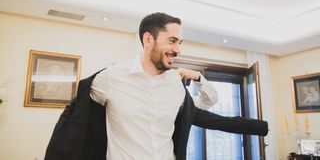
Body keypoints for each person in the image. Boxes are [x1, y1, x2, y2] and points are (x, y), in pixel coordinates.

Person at [44, 12, 268, 160]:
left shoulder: (176, 85)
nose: (178, 49)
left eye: (180, 42)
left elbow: (209, 111)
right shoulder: (111, 78)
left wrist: (199, 78)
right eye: (172, 41)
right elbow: (77, 119)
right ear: (148, 39)